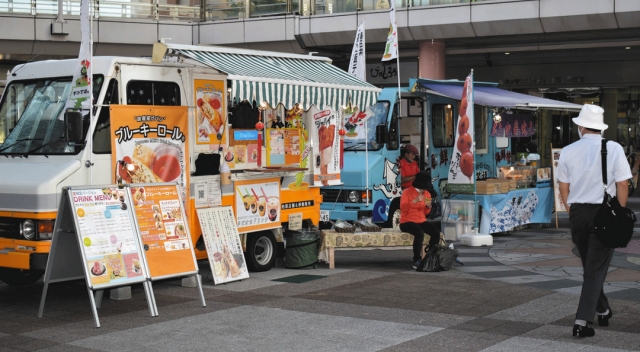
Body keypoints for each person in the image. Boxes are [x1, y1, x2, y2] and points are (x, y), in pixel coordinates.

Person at [556, 104, 632, 338]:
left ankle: (604, 309)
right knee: (594, 269)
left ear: (580, 127)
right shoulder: (614, 148)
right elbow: (622, 184)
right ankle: (582, 322)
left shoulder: (567, 150)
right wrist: (618, 213)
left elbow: (563, 187)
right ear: (600, 127)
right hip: (603, 213)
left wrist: (571, 210)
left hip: (577, 212)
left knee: (590, 266)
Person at [399, 171, 441, 269]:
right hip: (406, 221)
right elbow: (403, 209)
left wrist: (428, 207)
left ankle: (431, 255)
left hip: (421, 220)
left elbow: (426, 213)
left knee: (436, 232)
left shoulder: (427, 194)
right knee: (419, 232)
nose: (424, 191)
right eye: (423, 188)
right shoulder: (407, 192)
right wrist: (415, 200)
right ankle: (416, 259)